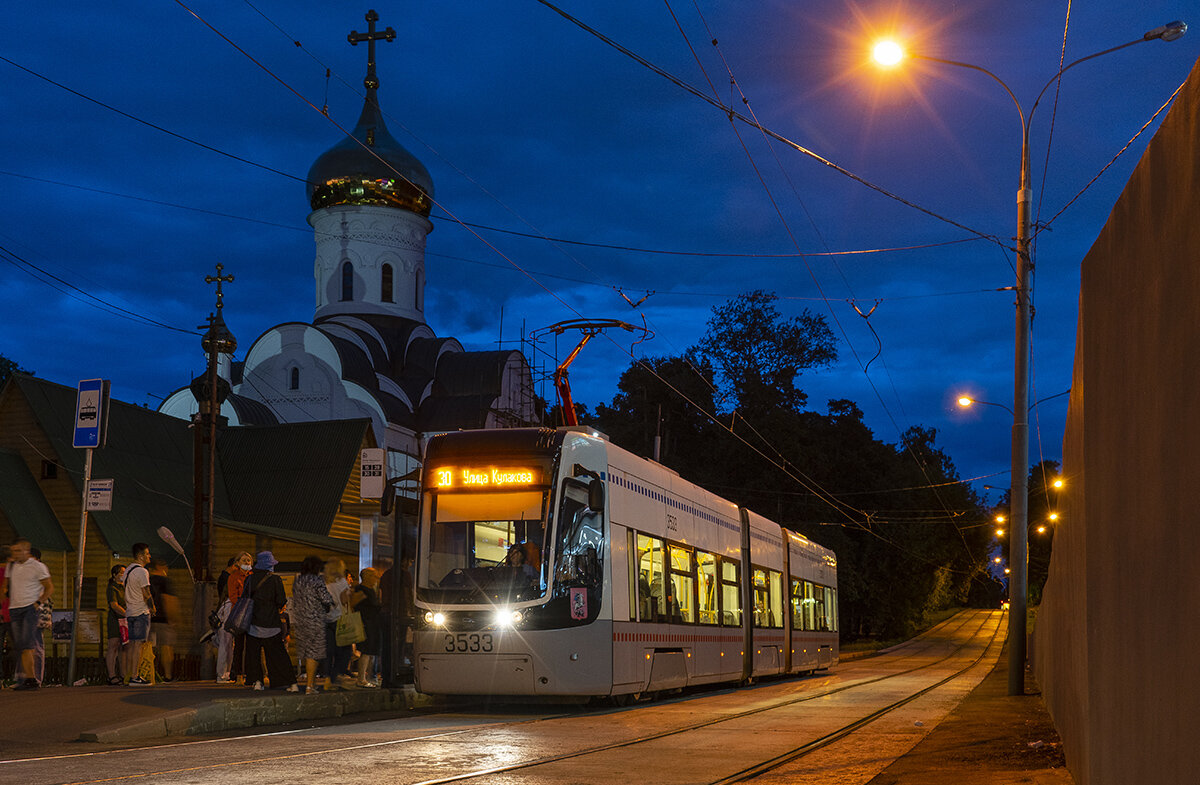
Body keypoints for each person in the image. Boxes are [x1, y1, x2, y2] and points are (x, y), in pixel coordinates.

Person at [243, 551, 298, 692]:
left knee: (253, 655)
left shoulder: (249, 579)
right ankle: (288, 682)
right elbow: (281, 601)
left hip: (253, 624)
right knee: (277, 655)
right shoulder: (275, 580)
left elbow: (244, 599)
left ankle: (257, 682)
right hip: (271, 624)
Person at [2, 540, 53, 690]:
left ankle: (31, 679)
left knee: (27, 643)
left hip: (29, 608)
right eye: (13, 551)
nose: (15, 554)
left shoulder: (37, 566)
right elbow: (5, 586)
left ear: (26, 551)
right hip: (14, 607)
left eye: (18, 551)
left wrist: (38, 603)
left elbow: (49, 587)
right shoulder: (11, 566)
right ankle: (27, 678)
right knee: (20, 645)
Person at [290, 555, 332, 694]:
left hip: (300, 621)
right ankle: (309, 686)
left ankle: (310, 684)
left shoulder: (298, 581)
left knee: (307, 652)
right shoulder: (317, 580)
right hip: (315, 620)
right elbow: (326, 599)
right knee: (313, 654)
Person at [123, 542, 155, 686]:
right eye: (147, 554)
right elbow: (146, 593)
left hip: (130, 611)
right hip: (140, 611)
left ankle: (130, 674)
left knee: (132, 645)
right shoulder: (142, 572)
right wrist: (153, 607)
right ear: (140, 556)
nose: (150, 556)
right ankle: (135, 676)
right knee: (138, 646)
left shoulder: (128, 570)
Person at [223, 551, 253, 685]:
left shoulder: (253, 576)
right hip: (240, 613)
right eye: (244, 560)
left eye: (249, 560)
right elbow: (233, 596)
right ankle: (238, 674)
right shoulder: (233, 577)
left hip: (252, 613)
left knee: (252, 645)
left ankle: (252, 673)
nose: (247, 563)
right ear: (238, 563)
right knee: (239, 645)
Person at [349, 568, 382, 687]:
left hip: (372, 623)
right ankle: (361, 678)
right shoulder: (362, 590)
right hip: (366, 623)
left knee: (371, 650)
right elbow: (353, 604)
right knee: (366, 650)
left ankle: (368, 677)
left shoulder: (371, 590)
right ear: (367, 576)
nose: (376, 579)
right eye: (374, 576)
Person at [148, 559, 178, 682]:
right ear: (160, 567)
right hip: (163, 620)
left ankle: (150, 674)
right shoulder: (164, 581)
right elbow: (167, 600)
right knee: (166, 648)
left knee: (150, 648)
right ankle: (167, 676)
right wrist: (172, 618)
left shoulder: (148, 581)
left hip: (149, 619)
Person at [104, 565, 127, 685]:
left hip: (125, 621)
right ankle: (112, 675)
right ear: (114, 575)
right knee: (113, 645)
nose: (123, 575)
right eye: (121, 573)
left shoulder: (125, 587)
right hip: (115, 619)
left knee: (123, 647)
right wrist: (127, 614)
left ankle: (123, 674)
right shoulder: (112, 588)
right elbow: (114, 605)